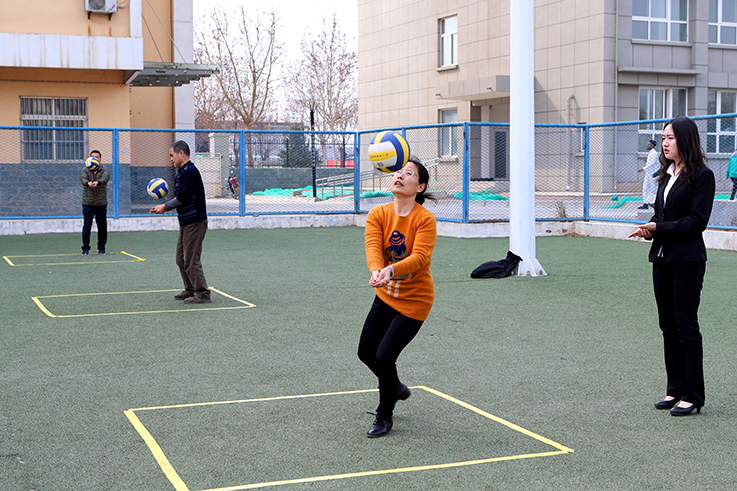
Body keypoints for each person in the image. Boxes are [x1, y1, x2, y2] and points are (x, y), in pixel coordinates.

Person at [629, 117, 715, 417]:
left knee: (685, 324)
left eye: (671, 138)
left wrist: (659, 228)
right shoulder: (666, 174)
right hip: (662, 259)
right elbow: (663, 217)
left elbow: (697, 221)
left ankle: (693, 394)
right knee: (667, 325)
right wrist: (650, 230)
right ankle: (675, 388)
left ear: (686, 140)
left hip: (687, 261)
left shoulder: (703, 175)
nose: (665, 143)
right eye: (663, 137)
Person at [357, 156, 437, 438]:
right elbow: (372, 247)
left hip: (415, 301)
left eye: (409, 173)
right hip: (386, 295)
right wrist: (376, 270)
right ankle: (395, 386)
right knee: (365, 353)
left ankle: (385, 413)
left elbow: (420, 257)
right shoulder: (378, 214)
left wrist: (391, 270)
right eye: (399, 172)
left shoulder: (424, 219)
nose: (400, 176)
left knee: (383, 357)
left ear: (420, 186)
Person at [150, 140, 211, 304]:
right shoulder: (183, 172)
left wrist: (165, 206)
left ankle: (203, 293)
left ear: (181, 153)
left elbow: (183, 197)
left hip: (195, 221)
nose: (171, 159)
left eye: (172, 155)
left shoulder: (189, 171)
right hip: (186, 222)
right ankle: (190, 289)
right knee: (181, 259)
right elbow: (182, 196)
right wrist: (165, 205)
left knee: (191, 260)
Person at [80, 149, 110, 255]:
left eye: (97, 157)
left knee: (102, 226)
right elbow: (83, 179)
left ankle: (101, 248)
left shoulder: (104, 169)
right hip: (88, 203)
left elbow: (105, 178)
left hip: (101, 203)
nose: (95, 159)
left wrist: (98, 182)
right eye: (93, 157)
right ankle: (85, 248)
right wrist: (88, 183)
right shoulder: (85, 170)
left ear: (100, 159)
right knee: (87, 225)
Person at [637, 139, 659, 209]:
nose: (647, 145)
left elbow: (652, 163)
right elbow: (649, 163)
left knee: (653, 188)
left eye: (649, 144)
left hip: (653, 173)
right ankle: (645, 203)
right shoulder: (650, 153)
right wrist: (646, 162)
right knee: (645, 187)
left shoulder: (654, 153)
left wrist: (643, 169)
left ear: (652, 146)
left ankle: (654, 202)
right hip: (648, 173)